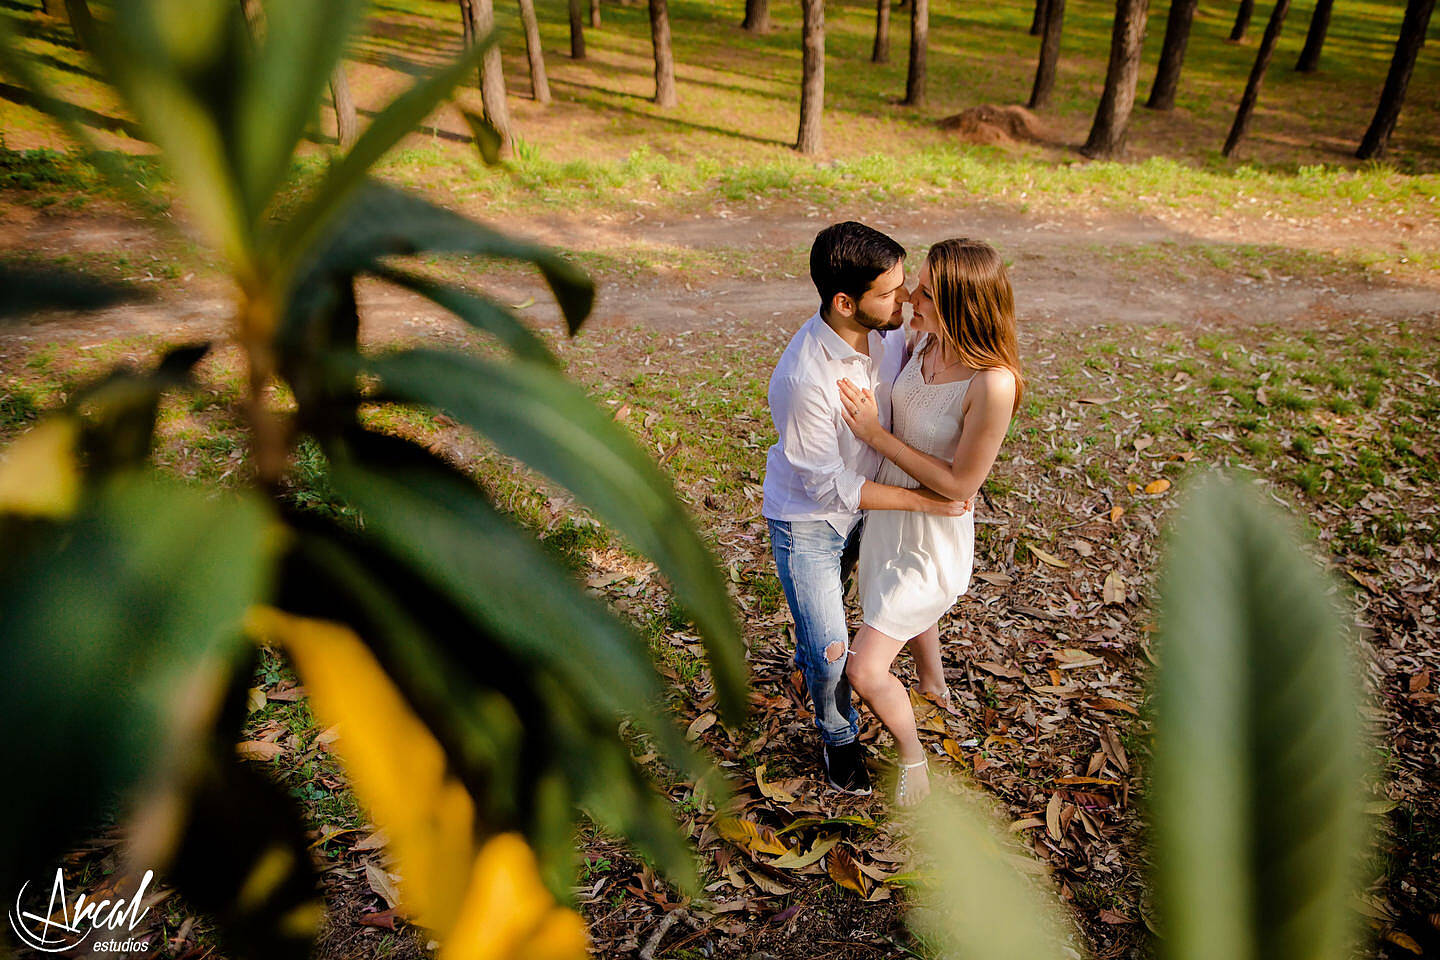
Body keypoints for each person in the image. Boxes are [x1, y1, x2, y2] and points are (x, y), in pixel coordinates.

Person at [763, 222, 971, 797]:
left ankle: (927, 673)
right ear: (845, 302)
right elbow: (830, 488)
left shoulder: (890, 333)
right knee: (830, 651)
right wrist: (927, 500)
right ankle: (839, 737)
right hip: (810, 522)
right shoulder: (806, 378)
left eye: (905, 287)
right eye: (890, 292)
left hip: (871, 510)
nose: (904, 300)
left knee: (882, 592)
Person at [837, 238, 1024, 806]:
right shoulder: (924, 339)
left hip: (936, 531)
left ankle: (914, 758)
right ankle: (933, 681)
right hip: (891, 514)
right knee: (896, 605)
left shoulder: (992, 384)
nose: (910, 296)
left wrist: (876, 436)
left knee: (864, 670)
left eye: (923, 290)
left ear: (960, 305)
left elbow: (962, 487)